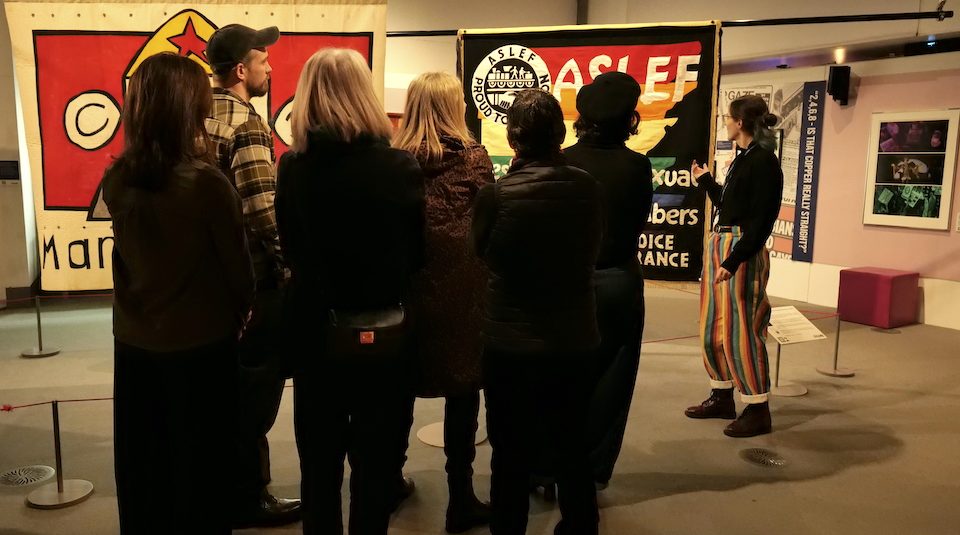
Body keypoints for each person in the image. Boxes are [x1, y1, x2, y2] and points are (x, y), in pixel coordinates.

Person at [276, 47, 425, 535]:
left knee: (319, 468)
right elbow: (416, 256)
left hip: (316, 334)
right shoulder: (400, 167)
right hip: (385, 335)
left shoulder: (293, 170)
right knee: (376, 465)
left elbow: (291, 251)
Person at [103, 53, 253, 534]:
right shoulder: (206, 184)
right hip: (200, 350)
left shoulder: (118, 179)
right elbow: (239, 273)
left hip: (134, 346)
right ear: (188, 107)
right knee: (202, 476)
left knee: (146, 472)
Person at [472, 89, 602, 535]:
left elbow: (482, 253)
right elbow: (592, 251)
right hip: (575, 340)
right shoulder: (589, 189)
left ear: (513, 139)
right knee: (573, 447)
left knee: (509, 453)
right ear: (560, 135)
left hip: (510, 345)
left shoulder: (497, 195)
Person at [204, 24, 301, 527]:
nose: (271, 68)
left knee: (224, 389)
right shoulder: (245, 122)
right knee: (256, 392)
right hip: (254, 280)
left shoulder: (195, 113)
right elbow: (263, 209)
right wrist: (290, 265)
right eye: (263, 61)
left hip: (210, 279)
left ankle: (221, 489)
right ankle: (251, 496)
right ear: (241, 70)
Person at [392, 72, 495, 533]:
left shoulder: (395, 162)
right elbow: (490, 224)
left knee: (397, 394)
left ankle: (390, 480)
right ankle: (460, 499)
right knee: (463, 396)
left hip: (406, 289)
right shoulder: (474, 160)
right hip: (464, 292)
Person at [564, 72, 653, 488]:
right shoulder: (637, 166)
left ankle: (550, 467)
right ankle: (592, 471)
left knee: (561, 377)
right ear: (628, 119)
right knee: (613, 378)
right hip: (619, 279)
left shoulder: (562, 160)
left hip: (569, 282)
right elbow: (638, 221)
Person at [687, 94, 784, 438]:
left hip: (739, 249)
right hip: (722, 243)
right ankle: (722, 394)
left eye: (728, 118)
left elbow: (762, 220)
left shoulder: (764, 162)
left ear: (740, 122)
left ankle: (757, 409)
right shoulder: (742, 159)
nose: (725, 123)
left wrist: (735, 258)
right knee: (714, 326)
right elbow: (729, 206)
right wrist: (707, 182)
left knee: (743, 328)